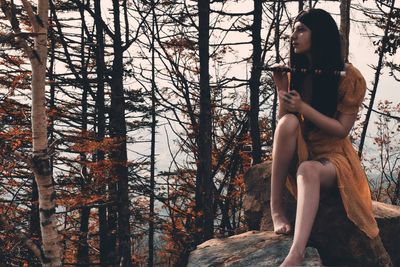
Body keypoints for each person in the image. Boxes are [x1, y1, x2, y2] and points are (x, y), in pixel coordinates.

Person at [270, 8, 379, 266]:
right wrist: (281, 89)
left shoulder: (349, 77)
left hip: (333, 156)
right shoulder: (296, 70)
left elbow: (341, 130)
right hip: (305, 146)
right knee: (286, 123)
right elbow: (286, 120)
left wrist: (304, 108)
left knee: (308, 170)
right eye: (293, 29)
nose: (292, 35)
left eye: (301, 30)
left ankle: (296, 254)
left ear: (319, 35)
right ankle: (276, 208)